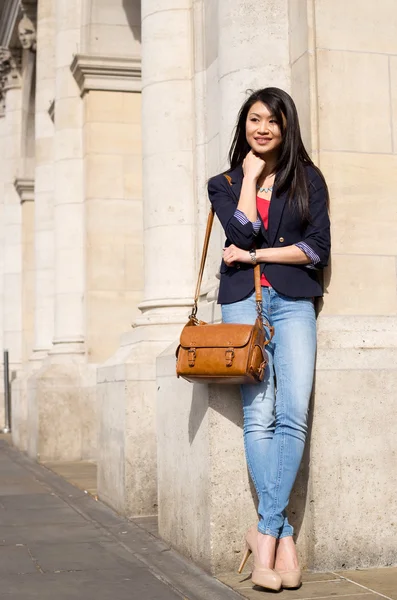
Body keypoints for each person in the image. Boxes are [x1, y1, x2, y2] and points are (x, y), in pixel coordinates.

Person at [208, 87, 330, 591]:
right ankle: (281, 541)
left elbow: (316, 249)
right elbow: (238, 235)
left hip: (294, 303)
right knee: (257, 416)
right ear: (244, 125)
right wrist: (250, 181)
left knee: (292, 412)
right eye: (254, 119)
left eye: (272, 122)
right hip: (241, 304)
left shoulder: (309, 179)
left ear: (286, 128)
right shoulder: (223, 182)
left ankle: (264, 534)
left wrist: (258, 257)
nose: (263, 128)